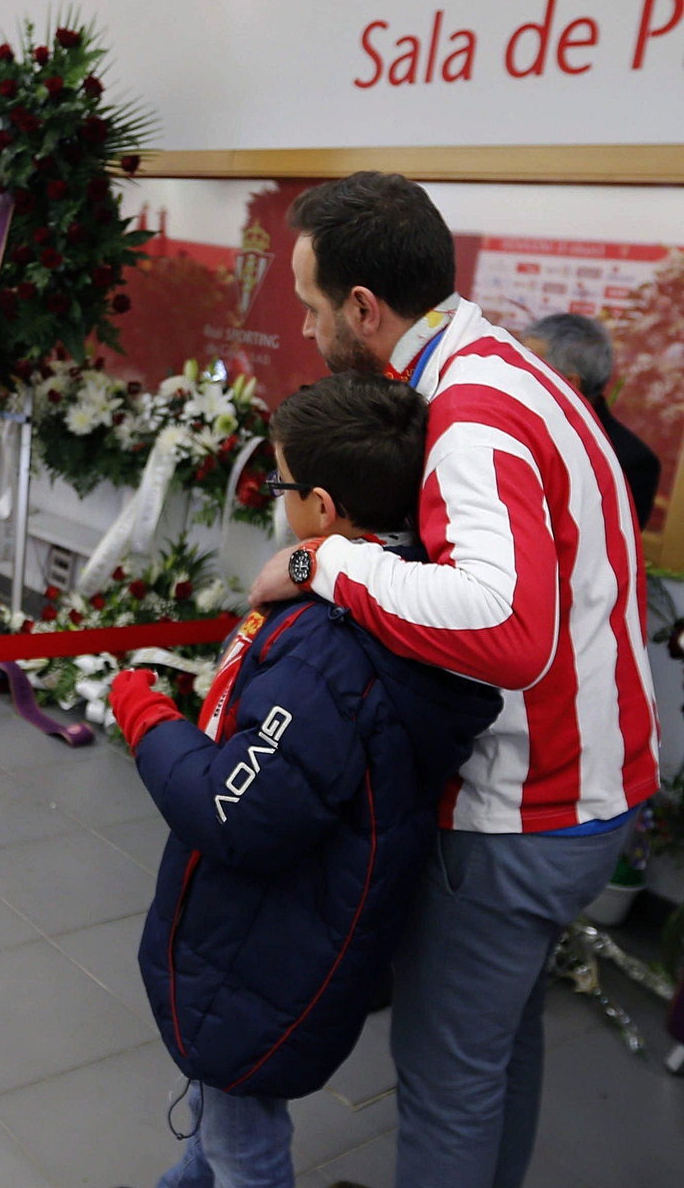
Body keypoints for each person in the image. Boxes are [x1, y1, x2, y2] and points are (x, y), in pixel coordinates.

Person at [249, 172, 660, 1188]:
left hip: (521, 809)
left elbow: (506, 626)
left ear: (361, 307)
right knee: (497, 1044)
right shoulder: (505, 363)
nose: (303, 329)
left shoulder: (468, 413)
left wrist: (320, 563)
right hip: (590, 792)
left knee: (443, 1077)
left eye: (309, 306)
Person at [113, 373, 501, 1188]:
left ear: (322, 507)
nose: (278, 498)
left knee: (244, 1144)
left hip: (268, 941)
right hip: (299, 925)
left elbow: (231, 811)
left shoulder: (329, 647)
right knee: (223, 1112)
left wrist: (145, 717)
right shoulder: (412, 591)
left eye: (282, 484)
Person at [522, 312, 661, 527]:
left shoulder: (629, 462)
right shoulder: (505, 426)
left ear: (567, 383)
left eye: (528, 368)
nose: (514, 374)